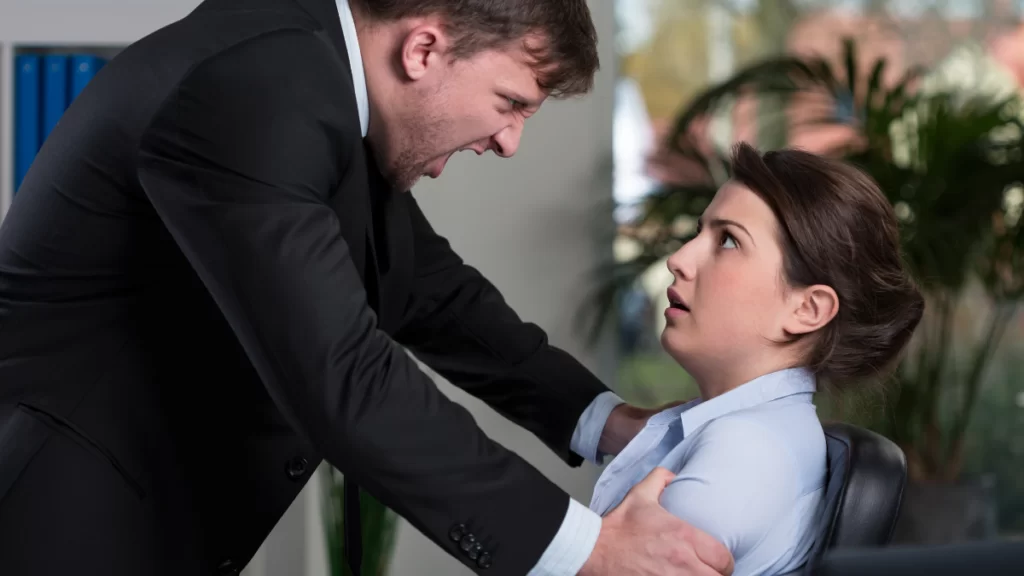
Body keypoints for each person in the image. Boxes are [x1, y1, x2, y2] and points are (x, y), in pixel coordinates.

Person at [0, 1, 735, 575]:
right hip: (61, 523)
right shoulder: (263, 84)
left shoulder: (308, 71)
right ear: (424, 49)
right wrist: (586, 550)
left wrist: (607, 424)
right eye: (511, 102)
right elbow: (341, 372)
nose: (509, 142)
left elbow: (429, 291)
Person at [588, 143, 925, 576]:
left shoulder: (743, 453)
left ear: (807, 309)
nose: (678, 260)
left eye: (728, 240)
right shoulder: (764, 433)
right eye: (700, 232)